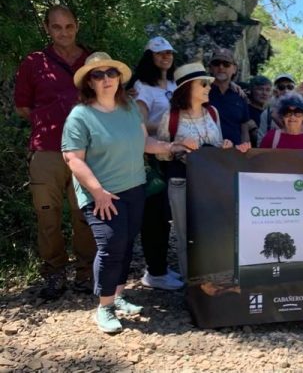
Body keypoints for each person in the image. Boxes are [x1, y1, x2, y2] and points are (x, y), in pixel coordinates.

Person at [61, 52, 194, 333]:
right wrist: (98, 192)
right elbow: (73, 159)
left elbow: (144, 142)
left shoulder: (130, 107)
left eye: (111, 73)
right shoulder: (80, 115)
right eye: (98, 75)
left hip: (134, 188)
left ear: (119, 78)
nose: (106, 79)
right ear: (89, 82)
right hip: (101, 193)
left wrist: (171, 147)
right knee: (110, 247)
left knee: (124, 245)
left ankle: (117, 296)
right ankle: (104, 307)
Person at [13, 4, 96, 300]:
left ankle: (86, 273)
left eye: (69, 26)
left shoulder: (92, 60)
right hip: (46, 150)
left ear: (77, 26)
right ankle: (54, 273)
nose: (64, 32)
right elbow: (23, 106)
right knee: (47, 215)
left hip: (86, 151)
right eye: (57, 27)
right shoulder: (34, 63)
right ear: (47, 28)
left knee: (84, 213)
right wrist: (48, 121)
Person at [156, 63, 245, 280]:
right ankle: (191, 284)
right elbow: (159, 153)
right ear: (187, 88)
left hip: (210, 183)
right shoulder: (172, 116)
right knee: (185, 232)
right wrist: (179, 148)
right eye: (203, 84)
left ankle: (212, 281)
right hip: (181, 180)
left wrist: (225, 146)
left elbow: (217, 144)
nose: (208, 88)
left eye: (208, 84)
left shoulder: (212, 113)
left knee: (212, 230)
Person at [128, 36, 182, 291]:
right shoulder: (142, 86)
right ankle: (155, 272)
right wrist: (172, 125)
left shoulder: (173, 83)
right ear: (149, 56)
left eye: (169, 52)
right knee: (154, 216)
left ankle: (162, 267)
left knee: (168, 216)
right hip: (151, 157)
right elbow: (140, 123)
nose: (166, 56)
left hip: (172, 154)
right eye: (160, 53)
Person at [207, 48, 251, 150]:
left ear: (234, 69)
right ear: (210, 68)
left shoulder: (240, 96)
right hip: (207, 155)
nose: (221, 67)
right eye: (216, 63)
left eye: (226, 64)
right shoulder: (202, 92)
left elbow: (244, 129)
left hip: (235, 156)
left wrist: (247, 152)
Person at [256, 73, 296, 145]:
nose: (286, 90)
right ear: (275, 91)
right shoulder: (267, 114)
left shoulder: (302, 112)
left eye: (290, 87)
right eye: (281, 87)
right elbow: (260, 142)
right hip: (273, 154)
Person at [246, 75, 272, 146]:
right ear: (251, 90)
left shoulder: (270, 113)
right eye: (260, 89)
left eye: (268, 90)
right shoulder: (245, 111)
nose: (264, 93)